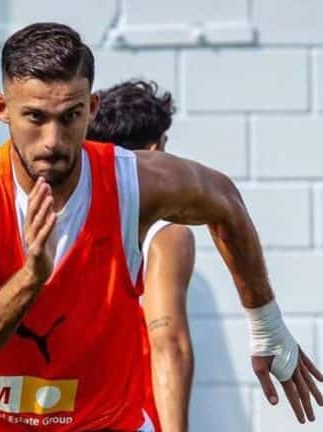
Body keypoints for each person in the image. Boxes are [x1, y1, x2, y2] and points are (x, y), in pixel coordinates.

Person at [0, 22, 323, 432]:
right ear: (2, 108)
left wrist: (266, 326)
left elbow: (225, 201)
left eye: (70, 116)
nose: (52, 141)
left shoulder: (131, 184)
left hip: (101, 421)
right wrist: (31, 279)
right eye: (35, 118)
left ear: (92, 108)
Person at [87, 79, 194, 431]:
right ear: (154, 150)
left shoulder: (66, 218)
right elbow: (168, 342)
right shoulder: (165, 232)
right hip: (129, 416)